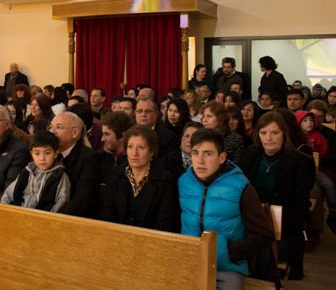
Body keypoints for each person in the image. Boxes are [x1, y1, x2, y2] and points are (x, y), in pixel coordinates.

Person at [180, 128, 274, 289]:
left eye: (208, 154)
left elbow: (263, 234)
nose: (200, 160)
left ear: (222, 157)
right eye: (195, 153)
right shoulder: (184, 182)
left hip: (225, 268)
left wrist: (230, 253)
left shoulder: (240, 186)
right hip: (190, 262)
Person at [238, 111, 314, 280]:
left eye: (274, 133)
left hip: (282, 229)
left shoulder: (301, 162)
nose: (269, 138)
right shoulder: (249, 155)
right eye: (264, 133)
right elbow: (237, 194)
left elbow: (300, 208)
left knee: (264, 255)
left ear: (284, 135)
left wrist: (270, 225)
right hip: (248, 224)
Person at [100, 125, 180, 232]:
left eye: (141, 147)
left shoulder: (166, 181)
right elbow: (107, 216)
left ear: (151, 151)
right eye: (130, 147)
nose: (134, 153)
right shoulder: (115, 175)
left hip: (152, 242)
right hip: (118, 239)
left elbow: (165, 224)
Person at [1, 131, 70, 212]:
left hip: (43, 219)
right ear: (31, 154)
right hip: (19, 215)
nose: (42, 158)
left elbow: (62, 201)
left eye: (47, 153)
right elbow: (8, 194)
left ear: (55, 153)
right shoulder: (26, 172)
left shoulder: (59, 176)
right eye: (37, 153)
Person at [48, 111, 100, 218]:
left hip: (72, 219)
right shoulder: (48, 153)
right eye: (51, 127)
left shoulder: (89, 158)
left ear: (75, 132)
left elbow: (83, 198)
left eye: (59, 127)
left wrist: (55, 218)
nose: (52, 131)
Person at [295, 110, 336, 233]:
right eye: (305, 120)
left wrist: (317, 160)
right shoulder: (295, 137)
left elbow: (323, 152)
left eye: (311, 120)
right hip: (298, 170)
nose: (309, 123)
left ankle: (333, 211)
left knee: (328, 184)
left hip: (317, 170)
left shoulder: (319, 137)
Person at [99, 111, 134, 183]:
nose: (102, 139)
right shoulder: (97, 158)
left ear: (122, 136)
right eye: (103, 134)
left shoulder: (134, 160)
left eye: (107, 134)